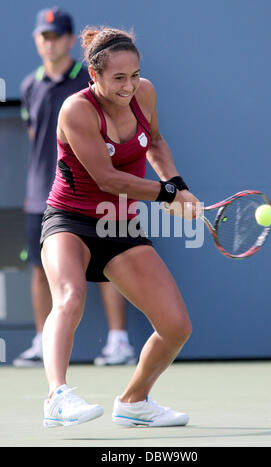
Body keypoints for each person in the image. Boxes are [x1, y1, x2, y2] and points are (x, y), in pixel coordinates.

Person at [41, 24, 200, 429]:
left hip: (120, 225)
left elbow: (157, 144)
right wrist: (167, 196)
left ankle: (134, 400)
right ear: (93, 75)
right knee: (70, 297)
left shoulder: (144, 92)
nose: (130, 86)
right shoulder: (76, 109)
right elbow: (107, 179)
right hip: (70, 219)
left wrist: (178, 186)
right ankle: (57, 396)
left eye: (134, 75)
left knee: (176, 326)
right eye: (118, 78)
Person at [13, 7, 135, 368]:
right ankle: (41, 341)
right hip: (42, 194)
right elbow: (36, 136)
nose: (50, 44)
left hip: (94, 192)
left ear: (69, 41)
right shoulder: (28, 85)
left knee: (107, 264)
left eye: (56, 37)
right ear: (38, 41)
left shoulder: (91, 82)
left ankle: (118, 342)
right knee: (41, 269)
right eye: (43, 37)